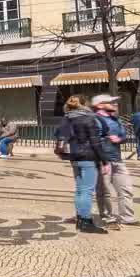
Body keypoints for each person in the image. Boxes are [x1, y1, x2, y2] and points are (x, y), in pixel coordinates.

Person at [91, 94, 140, 229]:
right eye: (111, 102)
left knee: (126, 189)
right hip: (102, 160)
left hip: (117, 159)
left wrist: (119, 139)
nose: (115, 104)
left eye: (115, 102)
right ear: (100, 105)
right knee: (104, 192)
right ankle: (108, 218)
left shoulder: (116, 119)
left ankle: (128, 218)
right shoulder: (94, 120)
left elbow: (124, 136)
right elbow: (93, 141)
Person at [57, 95, 108, 234]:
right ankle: (86, 221)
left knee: (80, 190)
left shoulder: (67, 118)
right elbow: (95, 141)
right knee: (87, 190)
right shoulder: (89, 118)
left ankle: (80, 219)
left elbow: (59, 134)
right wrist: (104, 160)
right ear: (84, 104)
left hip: (74, 157)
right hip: (88, 157)